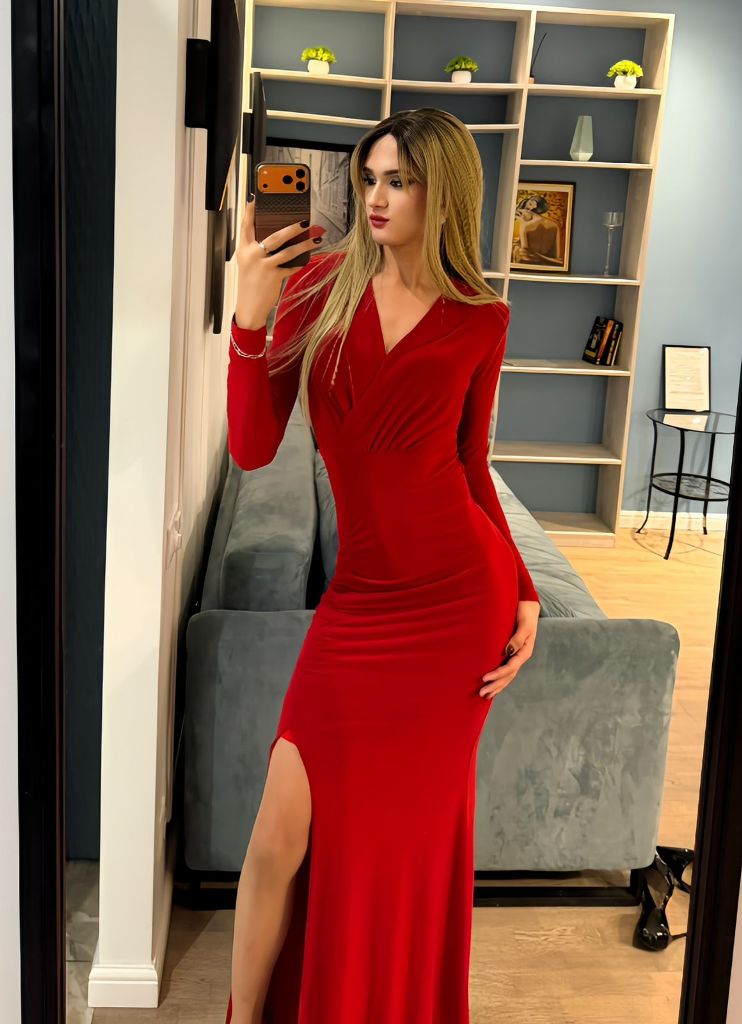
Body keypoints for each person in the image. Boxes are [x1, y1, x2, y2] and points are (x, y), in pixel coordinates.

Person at [224, 107, 540, 1024]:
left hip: (459, 611)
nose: (376, 197)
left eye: (399, 181)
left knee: (402, 850)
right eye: (370, 178)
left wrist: (524, 591)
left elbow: (471, 464)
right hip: (360, 607)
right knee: (275, 841)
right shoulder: (317, 286)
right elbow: (251, 447)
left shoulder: (483, 318)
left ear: (444, 193)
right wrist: (249, 317)